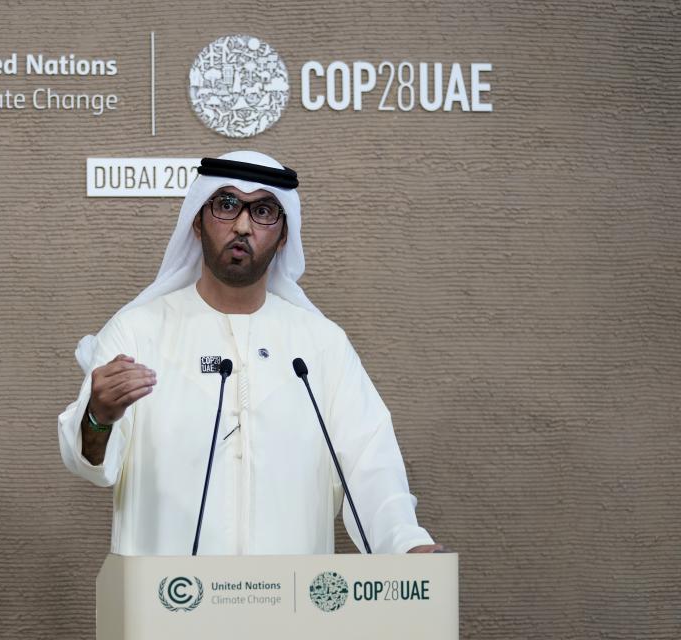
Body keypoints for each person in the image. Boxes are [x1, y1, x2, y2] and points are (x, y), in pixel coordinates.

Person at [57, 150, 446, 555]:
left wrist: (405, 545)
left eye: (262, 211)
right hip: (169, 606)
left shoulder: (320, 344)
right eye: (226, 205)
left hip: (292, 607)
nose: (242, 225)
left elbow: (371, 464)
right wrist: (98, 417)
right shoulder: (138, 332)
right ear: (197, 221)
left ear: (282, 237)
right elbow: (91, 463)